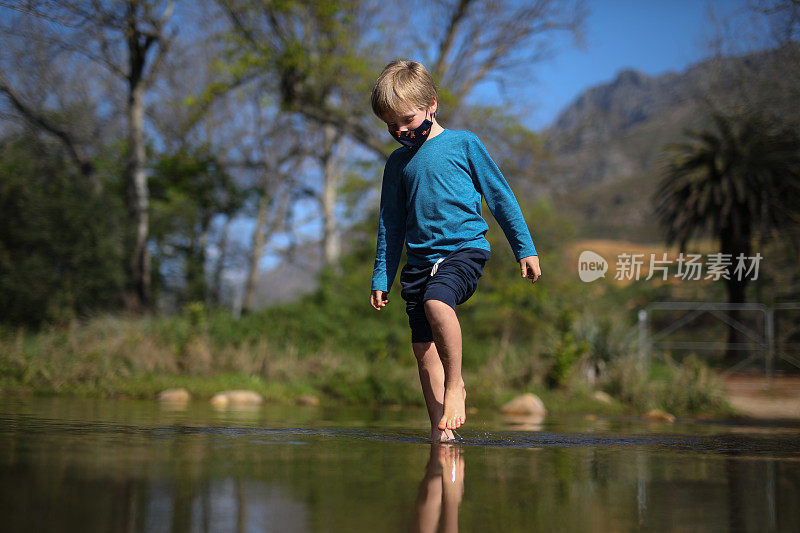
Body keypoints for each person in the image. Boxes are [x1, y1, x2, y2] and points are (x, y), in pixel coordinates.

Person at [369, 59, 541, 443]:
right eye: (390, 124)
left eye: (407, 120)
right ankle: (440, 434)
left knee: (437, 305)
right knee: (422, 347)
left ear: (432, 103)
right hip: (419, 261)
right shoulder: (397, 164)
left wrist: (523, 247)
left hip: (463, 250)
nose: (399, 131)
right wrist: (382, 274)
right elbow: (389, 224)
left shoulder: (463, 144)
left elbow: (499, 196)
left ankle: (456, 385)